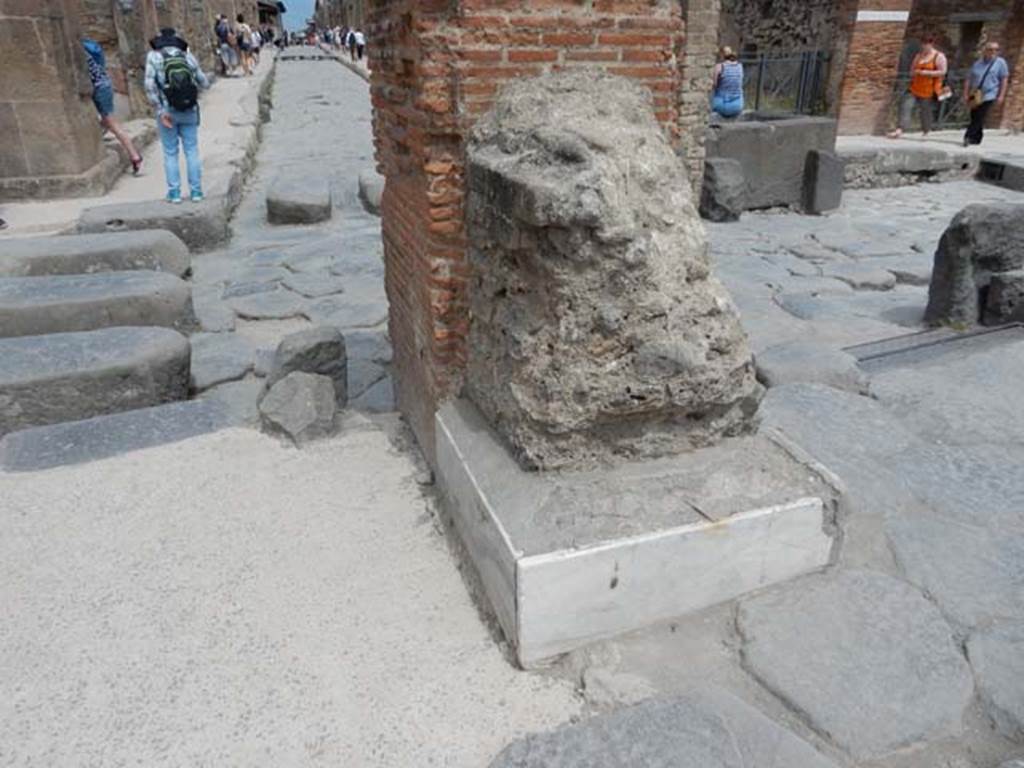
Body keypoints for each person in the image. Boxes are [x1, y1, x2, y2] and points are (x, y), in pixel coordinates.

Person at [144, 27, 210, 203]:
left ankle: (174, 193)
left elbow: (149, 87)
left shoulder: (153, 57)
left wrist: (160, 110)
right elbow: (204, 82)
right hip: (189, 110)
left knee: (170, 152)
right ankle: (196, 192)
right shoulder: (186, 55)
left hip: (167, 113)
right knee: (192, 151)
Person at [82, 38, 143, 175]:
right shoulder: (88, 49)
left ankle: (135, 156)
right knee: (106, 121)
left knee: (111, 123)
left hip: (98, 88)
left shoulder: (80, 53)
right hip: (105, 85)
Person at [888, 35, 947, 139]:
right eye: (923, 45)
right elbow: (912, 68)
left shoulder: (939, 56)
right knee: (906, 106)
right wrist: (913, 73)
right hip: (915, 87)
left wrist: (926, 73)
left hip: (929, 89)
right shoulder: (919, 55)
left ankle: (926, 131)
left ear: (931, 44)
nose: (924, 47)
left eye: (926, 45)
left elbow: (943, 72)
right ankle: (900, 129)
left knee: (925, 111)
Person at [963, 41, 1010, 147]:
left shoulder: (1000, 63)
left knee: (980, 115)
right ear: (985, 51)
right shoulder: (978, 63)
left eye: (996, 50)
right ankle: (977, 138)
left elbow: (1004, 79)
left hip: (989, 93)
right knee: (974, 115)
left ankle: (968, 136)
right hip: (975, 93)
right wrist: (965, 93)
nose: (993, 52)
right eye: (990, 49)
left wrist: (1001, 95)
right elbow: (969, 78)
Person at [711, 46, 744, 118]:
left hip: (722, 105)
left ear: (721, 55)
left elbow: (714, 84)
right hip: (738, 106)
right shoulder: (740, 66)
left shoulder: (719, 66)